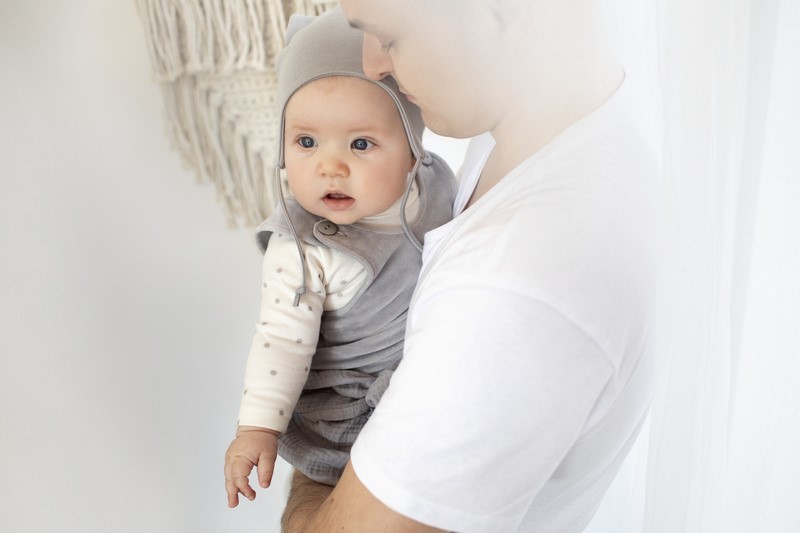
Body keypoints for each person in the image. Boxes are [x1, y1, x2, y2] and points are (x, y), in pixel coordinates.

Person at [281, 0, 662, 532]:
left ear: (508, 15)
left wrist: (318, 434)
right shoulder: (551, 125)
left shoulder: (509, 285)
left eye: (389, 37)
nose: (372, 65)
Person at [222, 7, 456, 508]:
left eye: (361, 143)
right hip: (351, 410)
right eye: (306, 142)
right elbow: (280, 342)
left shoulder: (435, 186)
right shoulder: (302, 249)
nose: (331, 166)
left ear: (412, 151)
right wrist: (257, 430)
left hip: (419, 371)